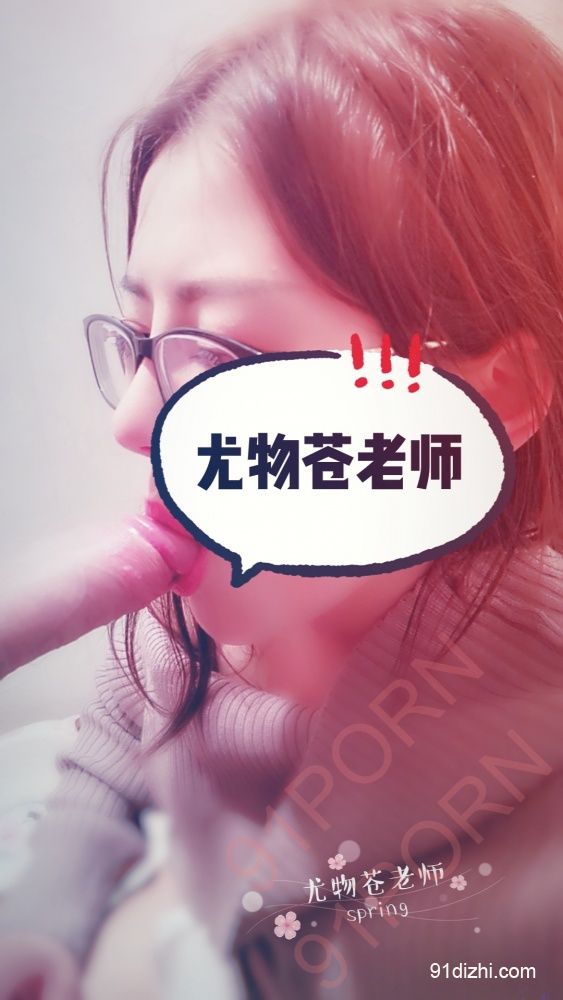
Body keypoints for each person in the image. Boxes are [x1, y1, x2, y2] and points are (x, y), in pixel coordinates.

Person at [1, 0, 563, 996]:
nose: (131, 422)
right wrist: (50, 912)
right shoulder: (173, 623)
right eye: (142, 337)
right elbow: (111, 749)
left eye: (228, 353)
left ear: (495, 398)